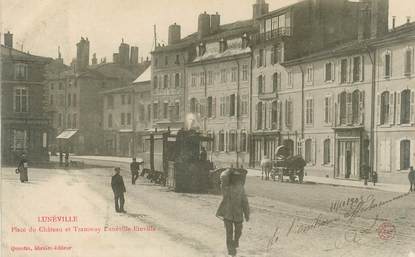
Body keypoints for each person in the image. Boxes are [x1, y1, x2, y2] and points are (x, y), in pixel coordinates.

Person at [216, 168, 250, 257]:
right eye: (234, 177)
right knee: (229, 232)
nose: (236, 179)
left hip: (238, 213)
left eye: (237, 177)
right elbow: (223, 176)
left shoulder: (241, 189)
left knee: (238, 231)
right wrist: (229, 170)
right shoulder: (226, 188)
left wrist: (247, 214)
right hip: (228, 213)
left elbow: (245, 202)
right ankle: (230, 250)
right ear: (231, 178)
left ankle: (235, 242)